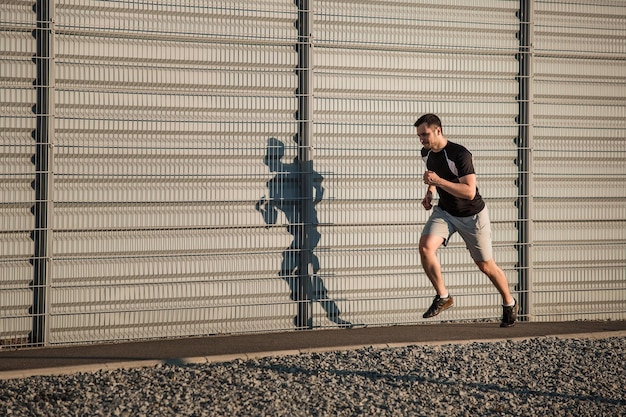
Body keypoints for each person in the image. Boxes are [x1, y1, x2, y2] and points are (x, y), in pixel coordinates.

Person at [415, 114, 518, 327]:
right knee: (425, 248)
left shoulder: (460, 154)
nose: (421, 140)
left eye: (424, 134)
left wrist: (438, 181)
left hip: (472, 215)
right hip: (445, 212)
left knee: (486, 265)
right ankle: (443, 296)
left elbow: (470, 192)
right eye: (419, 136)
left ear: (438, 131)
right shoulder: (426, 153)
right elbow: (434, 175)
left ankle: (509, 303)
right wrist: (430, 192)